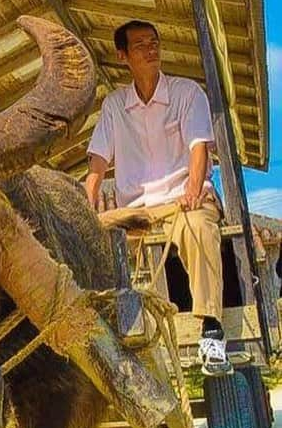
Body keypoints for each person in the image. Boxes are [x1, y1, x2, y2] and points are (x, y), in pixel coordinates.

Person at [84, 19, 231, 375]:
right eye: (140, 45)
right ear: (123, 56)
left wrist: (194, 190)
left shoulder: (187, 93)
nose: (151, 49)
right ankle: (104, 338)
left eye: (154, 42)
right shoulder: (115, 106)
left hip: (183, 202)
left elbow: (199, 149)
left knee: (198, 227)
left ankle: (211, 329)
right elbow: (97, 163)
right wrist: (86, 210)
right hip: (136, 212)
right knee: (93, 242)